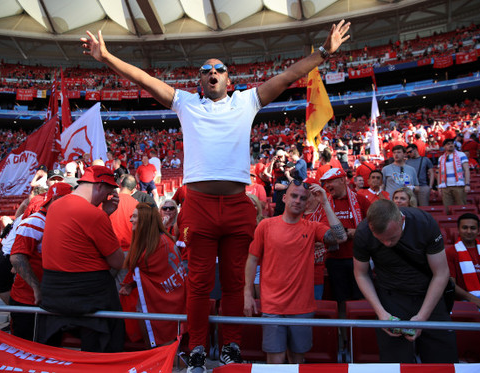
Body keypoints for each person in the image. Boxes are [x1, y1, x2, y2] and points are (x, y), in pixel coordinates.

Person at [82, 19, 351, 371]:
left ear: (228, 79)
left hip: (238, 207)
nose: (212, 73)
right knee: (199, 282)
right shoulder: (185, 104)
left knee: (236, 282)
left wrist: (322, 52)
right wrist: (107, 58)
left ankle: (231, 347)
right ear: (199, 81)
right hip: (200, 208)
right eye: (205, 70)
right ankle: (196, 347)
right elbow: (143, 80)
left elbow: (286, 77)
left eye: (219, 69)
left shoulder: (247, 101)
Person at [244, 180, 347, 364]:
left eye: (302, 198)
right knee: (275, 361)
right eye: (293, 195)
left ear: (307, 203)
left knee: (297, 361)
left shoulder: (312, 227)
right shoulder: (266, 226)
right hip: (272, 306)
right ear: (284, 198)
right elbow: (252, 259)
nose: (298, 200)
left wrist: (325, 202)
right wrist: (247, 293)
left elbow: (341, 237)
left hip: (302, 307)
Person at [353, 199, 458, 363]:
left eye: (392, 237)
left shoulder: (424, 223)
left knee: (442, 358)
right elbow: (361, 274)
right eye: (381, 239)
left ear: (401, 220)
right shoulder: (363, 232)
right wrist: (381, 313)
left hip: (428, 294)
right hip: (391, 296)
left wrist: (422, 317)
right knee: (395, 361)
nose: (387, 243)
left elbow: (441, 273)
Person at [37, 166, 125, 352]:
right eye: (108, 193)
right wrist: (104, 215)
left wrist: (104, 213)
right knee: (110, 332)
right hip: (89, 294)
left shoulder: (55, 206)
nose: (106, 198)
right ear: (100, 186)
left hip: (53, 290)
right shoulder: (94, 215)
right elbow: (118, 262)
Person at [9, 182, 72, 341]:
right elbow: (17, 257)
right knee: (26, 351)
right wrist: (36, 287)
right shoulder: (35, 221)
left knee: (50, 349)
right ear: (54, 199)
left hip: (50, 299)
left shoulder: (59, 221)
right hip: (28, 300)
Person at [119, 203, 187, 347]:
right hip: (167, 302)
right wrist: (132, 284)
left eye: (135, 216)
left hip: (164, 305)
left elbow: (145, 268)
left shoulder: (157, 245)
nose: (131, 220)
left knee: (163, 346)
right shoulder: (160, 240)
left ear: (145, 220)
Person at [320, 168, 370, 307]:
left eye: (331, 181)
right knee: (340, 300)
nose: (327, 186)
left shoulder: (360, 200)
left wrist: (357, 232)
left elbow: (374, 225)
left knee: (362, 299)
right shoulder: (324, 204)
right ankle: (344, 328)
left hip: (358, 258)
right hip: (334, 259)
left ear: (342, 180)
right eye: (326, 183)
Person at [446, 213, 480, 315]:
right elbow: (450, 284)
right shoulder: (451, 252)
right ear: (458, 230)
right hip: (468, 299)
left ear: (478, 231)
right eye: (465, 228)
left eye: (473, 228)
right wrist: (473, 299)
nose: (469, 231)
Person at [437, 138, 471, 213]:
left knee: (462, 207)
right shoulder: (441, 158)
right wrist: (439, 186)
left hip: (459, 185)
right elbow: (439, 173)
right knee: (447, 208)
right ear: (444, 147)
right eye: (448, 144)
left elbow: (466, 170)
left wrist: (467, 184)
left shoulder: (461, 155)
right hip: (445, 186)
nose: (451, 145)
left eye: (452, 143)